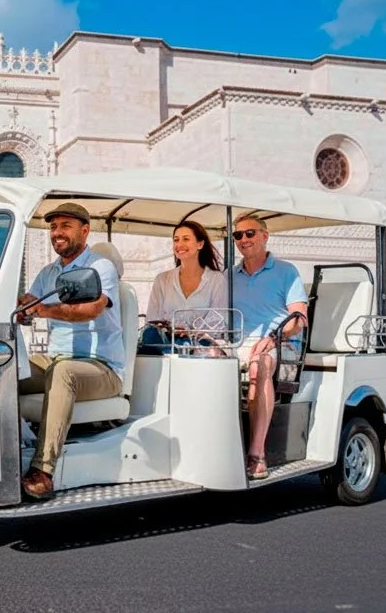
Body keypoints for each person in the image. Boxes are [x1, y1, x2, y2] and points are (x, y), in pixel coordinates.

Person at [14, 202, 124, 500]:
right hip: (55, 358)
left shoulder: (100, 267)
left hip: (102, 367)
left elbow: (92, 309)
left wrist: (44, 310)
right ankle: (9, 448)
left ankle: (43, 470)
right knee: (6, 368)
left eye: (65, 226)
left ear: (84, 231)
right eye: (53, 227)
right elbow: (29, 301)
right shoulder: (48, 272)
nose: (57, 232)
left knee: (62, 373)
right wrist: (19, 307)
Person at [231, 214, 308, 480]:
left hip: (281, 345)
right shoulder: (230, 276)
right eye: (238, 235)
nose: (243, 239)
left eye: (249, 233)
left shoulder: (286, 271)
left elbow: (300, 318)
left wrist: (273, 338)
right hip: (238, 343)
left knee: (258, 363)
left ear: (265, 236)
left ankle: (257, 453)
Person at [142, 220, 227, 352]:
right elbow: (153, 319)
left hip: (200, 343)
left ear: (200, 244)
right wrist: (171, 329)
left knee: (188, 344)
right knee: (150, 334)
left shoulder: (216, 279)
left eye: (186, 239)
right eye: (176, 240)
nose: (179, 244)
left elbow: (217, 320)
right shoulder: (162, 280)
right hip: (166, 341)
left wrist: (190, 332)